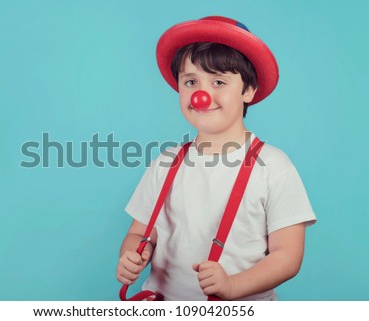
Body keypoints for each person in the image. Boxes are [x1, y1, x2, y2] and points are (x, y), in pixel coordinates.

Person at [116, 16, 316, 301]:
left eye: (219, 81)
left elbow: (288, 256)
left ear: (248, 90)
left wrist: (233, 286)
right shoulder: (165, 163)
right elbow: (138, 234)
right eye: (191, 81)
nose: (201, 94)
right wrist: (132, 255)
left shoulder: (274, 167)